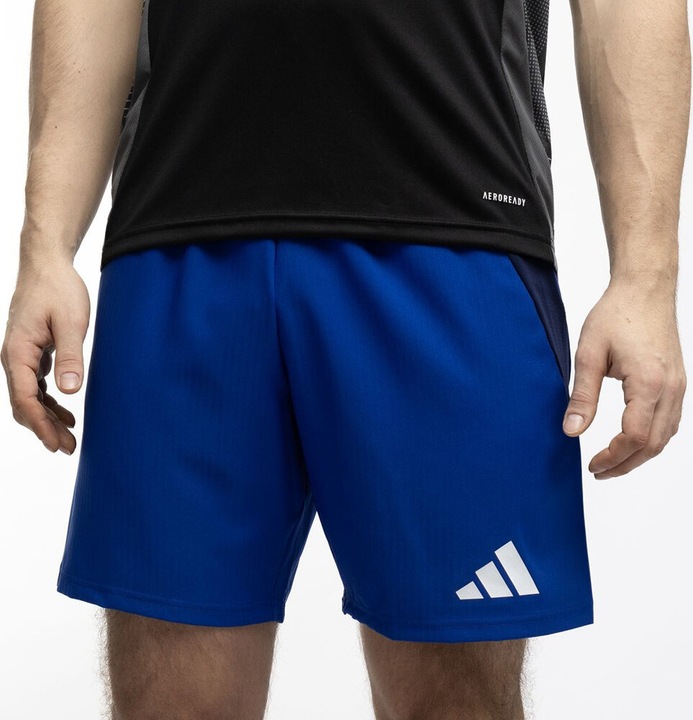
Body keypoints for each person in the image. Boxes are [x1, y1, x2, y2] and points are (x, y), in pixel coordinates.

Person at [1, 0, 688, 717]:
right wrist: (45, 246)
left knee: (456, 702)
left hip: (455, 227)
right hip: (178, 230)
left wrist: (645, 277)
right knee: (169, 704)